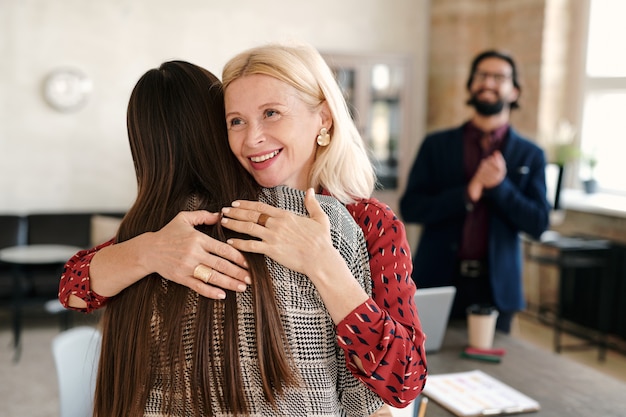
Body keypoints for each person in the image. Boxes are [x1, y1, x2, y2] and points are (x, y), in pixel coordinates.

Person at [59, 43, 426, 412]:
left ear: (324, 119)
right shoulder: (219, 213)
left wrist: (322, 262)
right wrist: (149, 251)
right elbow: (74, 287)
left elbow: (404, 382)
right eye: (236, 121)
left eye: (272, 113)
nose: (252, 139)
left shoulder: (367, 222)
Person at [400, 50, 550, 334]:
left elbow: (539, 224)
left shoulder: (532, 155)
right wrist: (469, 192)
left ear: (515, 91)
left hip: (498, 288)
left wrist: (500, 187)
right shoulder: (436, 145)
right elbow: (411, 208)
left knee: (495, 372)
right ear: (470, 85)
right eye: (481, 75)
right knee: (427, 367)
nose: (488, 83)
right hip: (438, 279)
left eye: (499, 77)